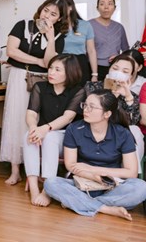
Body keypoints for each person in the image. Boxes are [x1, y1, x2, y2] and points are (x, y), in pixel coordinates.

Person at [44, 90, 146, 221]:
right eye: (85, 105)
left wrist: (93, 170)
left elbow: (131, 172)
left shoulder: (122, 134)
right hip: (82, 184)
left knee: (141, 187)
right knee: (51, 183)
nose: (86, 110)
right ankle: (106, 208)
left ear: (107, 114)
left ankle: (80, 202)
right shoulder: (74, 129)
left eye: (92, 107)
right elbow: (71, 165)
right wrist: (92, 176)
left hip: (112, 186)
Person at [0, 0, 68, 185]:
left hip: (44, 81)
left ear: (59, 19)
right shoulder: (23, 25)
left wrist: (50, 38)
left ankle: (36, 170)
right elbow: (11, 51)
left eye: (53, 14)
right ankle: (15, 170)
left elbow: (50, 62)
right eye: (46, 10)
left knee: (37, 121)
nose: (47, 15)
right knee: (16, 119)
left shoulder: (59, 36)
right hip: (20, 76)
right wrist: (37, 60)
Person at [23, 54, 83, 206]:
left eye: (57, 69)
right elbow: (31, 113)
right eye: (50, 68)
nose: (51, 72)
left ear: (70, 72)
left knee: (49, 137)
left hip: (66, 136)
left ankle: (47, 190)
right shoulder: (40, 87)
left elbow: (68, 117)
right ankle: (34, 189)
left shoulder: (78, 91)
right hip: (42, 133)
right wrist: (33, 128)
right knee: (28, 135)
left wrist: (45, 128)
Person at [83, 54, 144, 173]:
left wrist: (127, 96)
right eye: (115, 68)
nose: (118, 73)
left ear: (130, 76)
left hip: (119, 136)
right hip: (94, 130)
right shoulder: (92, 87)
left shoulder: (131, 96)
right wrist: (113, 95)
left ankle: (133, 173)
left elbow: (132, 122)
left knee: (135, 130)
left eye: (125, 71)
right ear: (109, 69)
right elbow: (91, 111)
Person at [56, 0, 98, 84]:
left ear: (71, 7)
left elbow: (91, 51)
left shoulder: (85, 25)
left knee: (80, 91)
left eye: (63, 7)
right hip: (61, 63)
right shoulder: (55, 26)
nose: (61, 10)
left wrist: (94, 74)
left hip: (80, 63)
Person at [89, 0, 129, 80]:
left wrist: (119, 57)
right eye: (102, 4)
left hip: (115, 69)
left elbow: (126, 50)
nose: (106, 7)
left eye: (110, 4)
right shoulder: (89, 25)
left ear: (114, 8)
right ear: (97, 8)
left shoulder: (119, 27)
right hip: (93, 69)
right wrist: (94, 74)